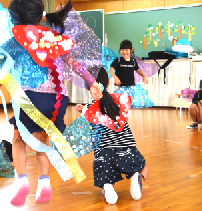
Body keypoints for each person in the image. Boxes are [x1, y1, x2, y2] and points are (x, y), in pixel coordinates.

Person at [0, 0, 103, 206]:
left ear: (15, 18)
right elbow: (74, 62)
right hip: (57, 99)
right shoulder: (52, 38)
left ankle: (21, 182)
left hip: (30, 98)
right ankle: (45, 183)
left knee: (18, 139)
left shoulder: (13, 42)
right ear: (40, 16)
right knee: (42, 140)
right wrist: (91, 82)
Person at [63, 68, 149, 205]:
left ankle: (108, 187)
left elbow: (91, 119)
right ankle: (136, 177)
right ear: (108, 83)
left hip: (103, 156)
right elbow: (123, 119)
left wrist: (84, 110)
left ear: (88, 87)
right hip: (126, 151)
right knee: (144, 166)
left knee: (106, 174)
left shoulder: (89, 109)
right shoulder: (120, 101)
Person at [109, 40, 155, 108]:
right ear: (120, 50)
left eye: (127, 50)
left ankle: (129, 117)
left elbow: (138, 70)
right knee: (120, 105)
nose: (124, 52)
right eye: (122, 50)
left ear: (131, 50)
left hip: (131, 88)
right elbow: (111, 70)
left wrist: (144, 76)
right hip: (120, 88)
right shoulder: (118, 60)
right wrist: (115, 78)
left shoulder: (133, 61)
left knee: (131, 105)